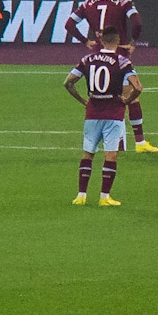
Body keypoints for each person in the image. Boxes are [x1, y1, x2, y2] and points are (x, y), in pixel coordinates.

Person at [64, 0, 157, 151]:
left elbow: (69, 24)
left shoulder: (88, 2)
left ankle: (118, 143)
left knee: (107, 99)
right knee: (129, 98)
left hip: (97, 56)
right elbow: (137, 22)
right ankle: (137, 142)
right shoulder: (122, 0)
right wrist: (133, 42)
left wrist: (85, 41)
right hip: (117, 55)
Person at [66, 34, 140, 205]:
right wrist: (126, 100)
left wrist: (83, 101)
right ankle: (104, 197)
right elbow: (137, 87)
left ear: (101, 41)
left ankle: (81, 196)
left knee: (88, 153)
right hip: (113, 113)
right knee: (111, 155)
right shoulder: (122, 61)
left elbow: (68, 83)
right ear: (117, 42)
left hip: (92, 113)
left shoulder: (87, 59)